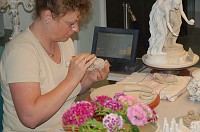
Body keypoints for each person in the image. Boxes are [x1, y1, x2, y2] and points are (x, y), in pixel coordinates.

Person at [0, 0, 110, 131]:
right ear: (48, 16)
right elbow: (30, 118)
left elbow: (65, 93)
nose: (76, 29)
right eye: (71, 24)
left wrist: (89, 79)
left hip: (68, 126)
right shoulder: (21, 52)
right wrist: (72, 78)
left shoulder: (64, 42)